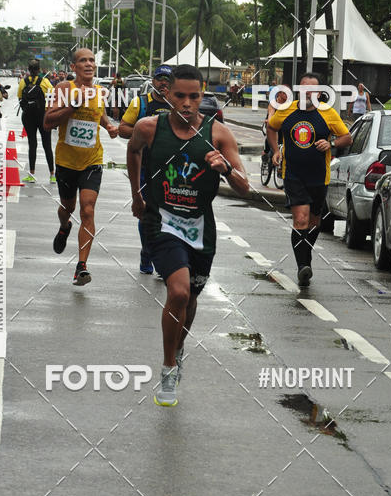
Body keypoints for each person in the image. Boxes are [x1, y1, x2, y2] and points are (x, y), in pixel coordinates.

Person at [127, 63, 249, 406]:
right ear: (167, 95)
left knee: (190, 299)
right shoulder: (149, 127)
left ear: (202, 96)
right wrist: (137, 194)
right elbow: (133, 151)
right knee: (177, 292)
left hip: (199, 228)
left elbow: (246, 188)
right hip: (161, 222)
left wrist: (225, 169)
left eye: (194, 96)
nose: (186, 103)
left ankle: (178, 347)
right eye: (179, 96)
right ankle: (167, 370)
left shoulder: (219, 134)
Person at [267, 73, 352, 287]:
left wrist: (330, 144)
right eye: (303, 88)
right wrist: (276, 150)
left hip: (319, 177)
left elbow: (347, 137)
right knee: (301, 220)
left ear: (319, 93)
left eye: (312, 89)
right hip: (293, 175)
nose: (307, 93)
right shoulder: (286, 109)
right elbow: (271, 126)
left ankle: (307, 256)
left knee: (314, 223)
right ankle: (302, 266)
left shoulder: (328, 113)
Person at [44, 48, 119, 286]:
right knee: (68, 207)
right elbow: (47, 122)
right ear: (74, 67)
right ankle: (64, 226)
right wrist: (73, 106)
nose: (88, 64)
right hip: (66, 162)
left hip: (92, 161)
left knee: (87, 210)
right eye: (83, 61)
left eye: (92, 60)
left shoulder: (100, 92)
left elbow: (101, 115)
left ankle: (81, 267)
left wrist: (109, 126)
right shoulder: (64, 90)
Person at [119, 64, 174, 273]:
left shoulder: (176, 105)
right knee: (147, 214)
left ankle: (163, 259)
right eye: (160, 79)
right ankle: (147, 252)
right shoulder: (140, 103)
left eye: (167, 80)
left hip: (171, 170)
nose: (163, 83)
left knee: (169, 216)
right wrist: (145, 133)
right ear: (153, 81)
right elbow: (123, 128)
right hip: (144, 168)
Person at [17, 61, 56, 183]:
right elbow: (52, 99)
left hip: (28, 117)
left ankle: (32, 174)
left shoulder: (23, 82)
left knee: (32, 144)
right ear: (39, 70)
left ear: (28, 69)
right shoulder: (45, 82)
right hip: (43, 117)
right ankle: (52, 175)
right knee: (47, 145)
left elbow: (20, 98)